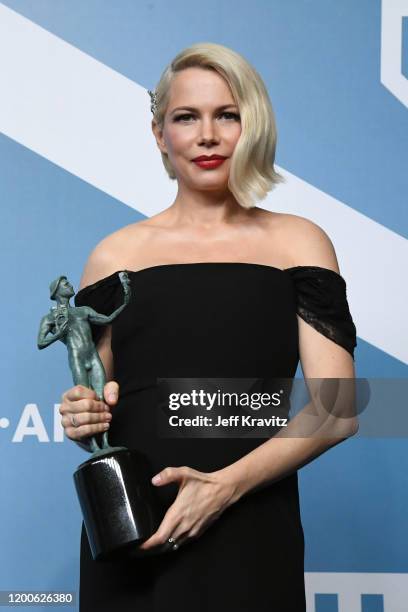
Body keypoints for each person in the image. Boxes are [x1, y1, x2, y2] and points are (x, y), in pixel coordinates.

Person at [59, 42, 358, 611]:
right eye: (186, 117)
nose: (207, 135)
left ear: (253, 125)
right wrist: (83, 412)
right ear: (159, 135)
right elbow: (99, 399)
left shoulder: (298, 241)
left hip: (251, 526)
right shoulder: (112, 255)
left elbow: (338, 408)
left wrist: (223, 489)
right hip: (137, 527)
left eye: (227, 114)